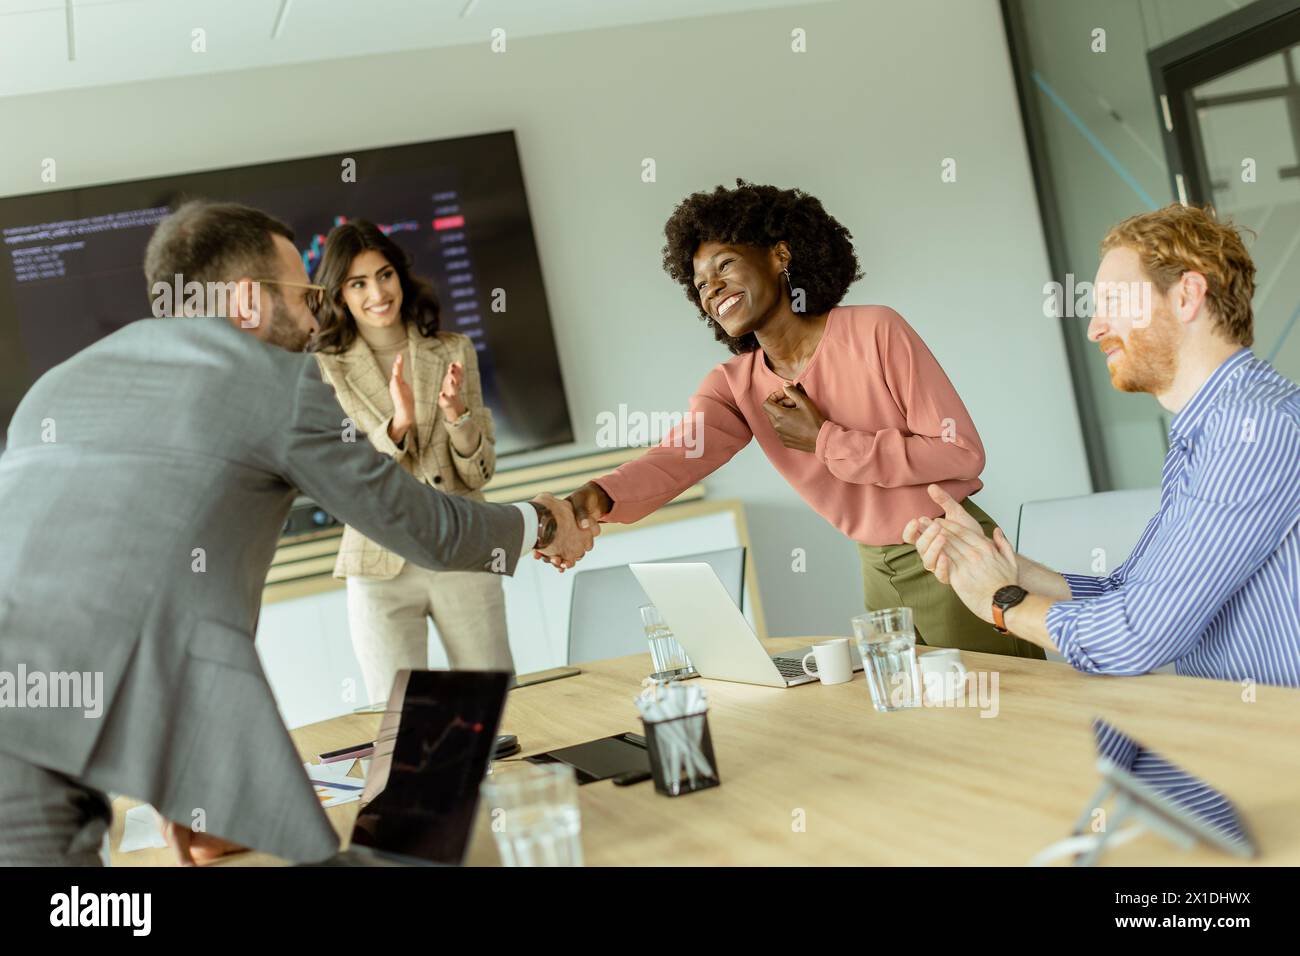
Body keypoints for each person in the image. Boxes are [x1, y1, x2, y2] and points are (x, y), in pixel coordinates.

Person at [0, 200, 594, 866]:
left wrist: (192, 791)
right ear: (251, 302)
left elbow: (119, 583)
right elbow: (419, 524)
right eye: (309, 294)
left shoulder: (54, 387)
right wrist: (543, 520)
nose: (318, 317)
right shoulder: (274, 385)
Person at [558, 180, 1041, 658]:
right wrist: (596, 496)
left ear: (780, 256)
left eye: (725, 265)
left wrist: (828, 441)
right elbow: (674, 460)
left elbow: (960, 451)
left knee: (1005, 718)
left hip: (955, 552)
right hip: (876, 570)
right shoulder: (735, 386)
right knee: (916, 724)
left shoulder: (875, 330)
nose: (713, 289)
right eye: (702, 284)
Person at [904, 204, 1299, 685]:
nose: (1094, 328)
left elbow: (1138, 637)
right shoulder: (1213, 428)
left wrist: (1003, 602)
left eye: (1113, 301)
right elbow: (1126, 592)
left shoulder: (1250, 429)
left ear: (1187, 295)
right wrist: (1000, 566)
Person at [312, 221, 513, 704]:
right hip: (378, 566)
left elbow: (480, 472)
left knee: (495, 709)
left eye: (384, 275)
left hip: (461, 547)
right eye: (358, 283)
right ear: (340, 294)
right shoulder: (324, 369)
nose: (377, 293)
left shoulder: (452, 349)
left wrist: (457, 417)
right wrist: (397, 427)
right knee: (398, 724)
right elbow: (340, 479)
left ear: (400, 276)